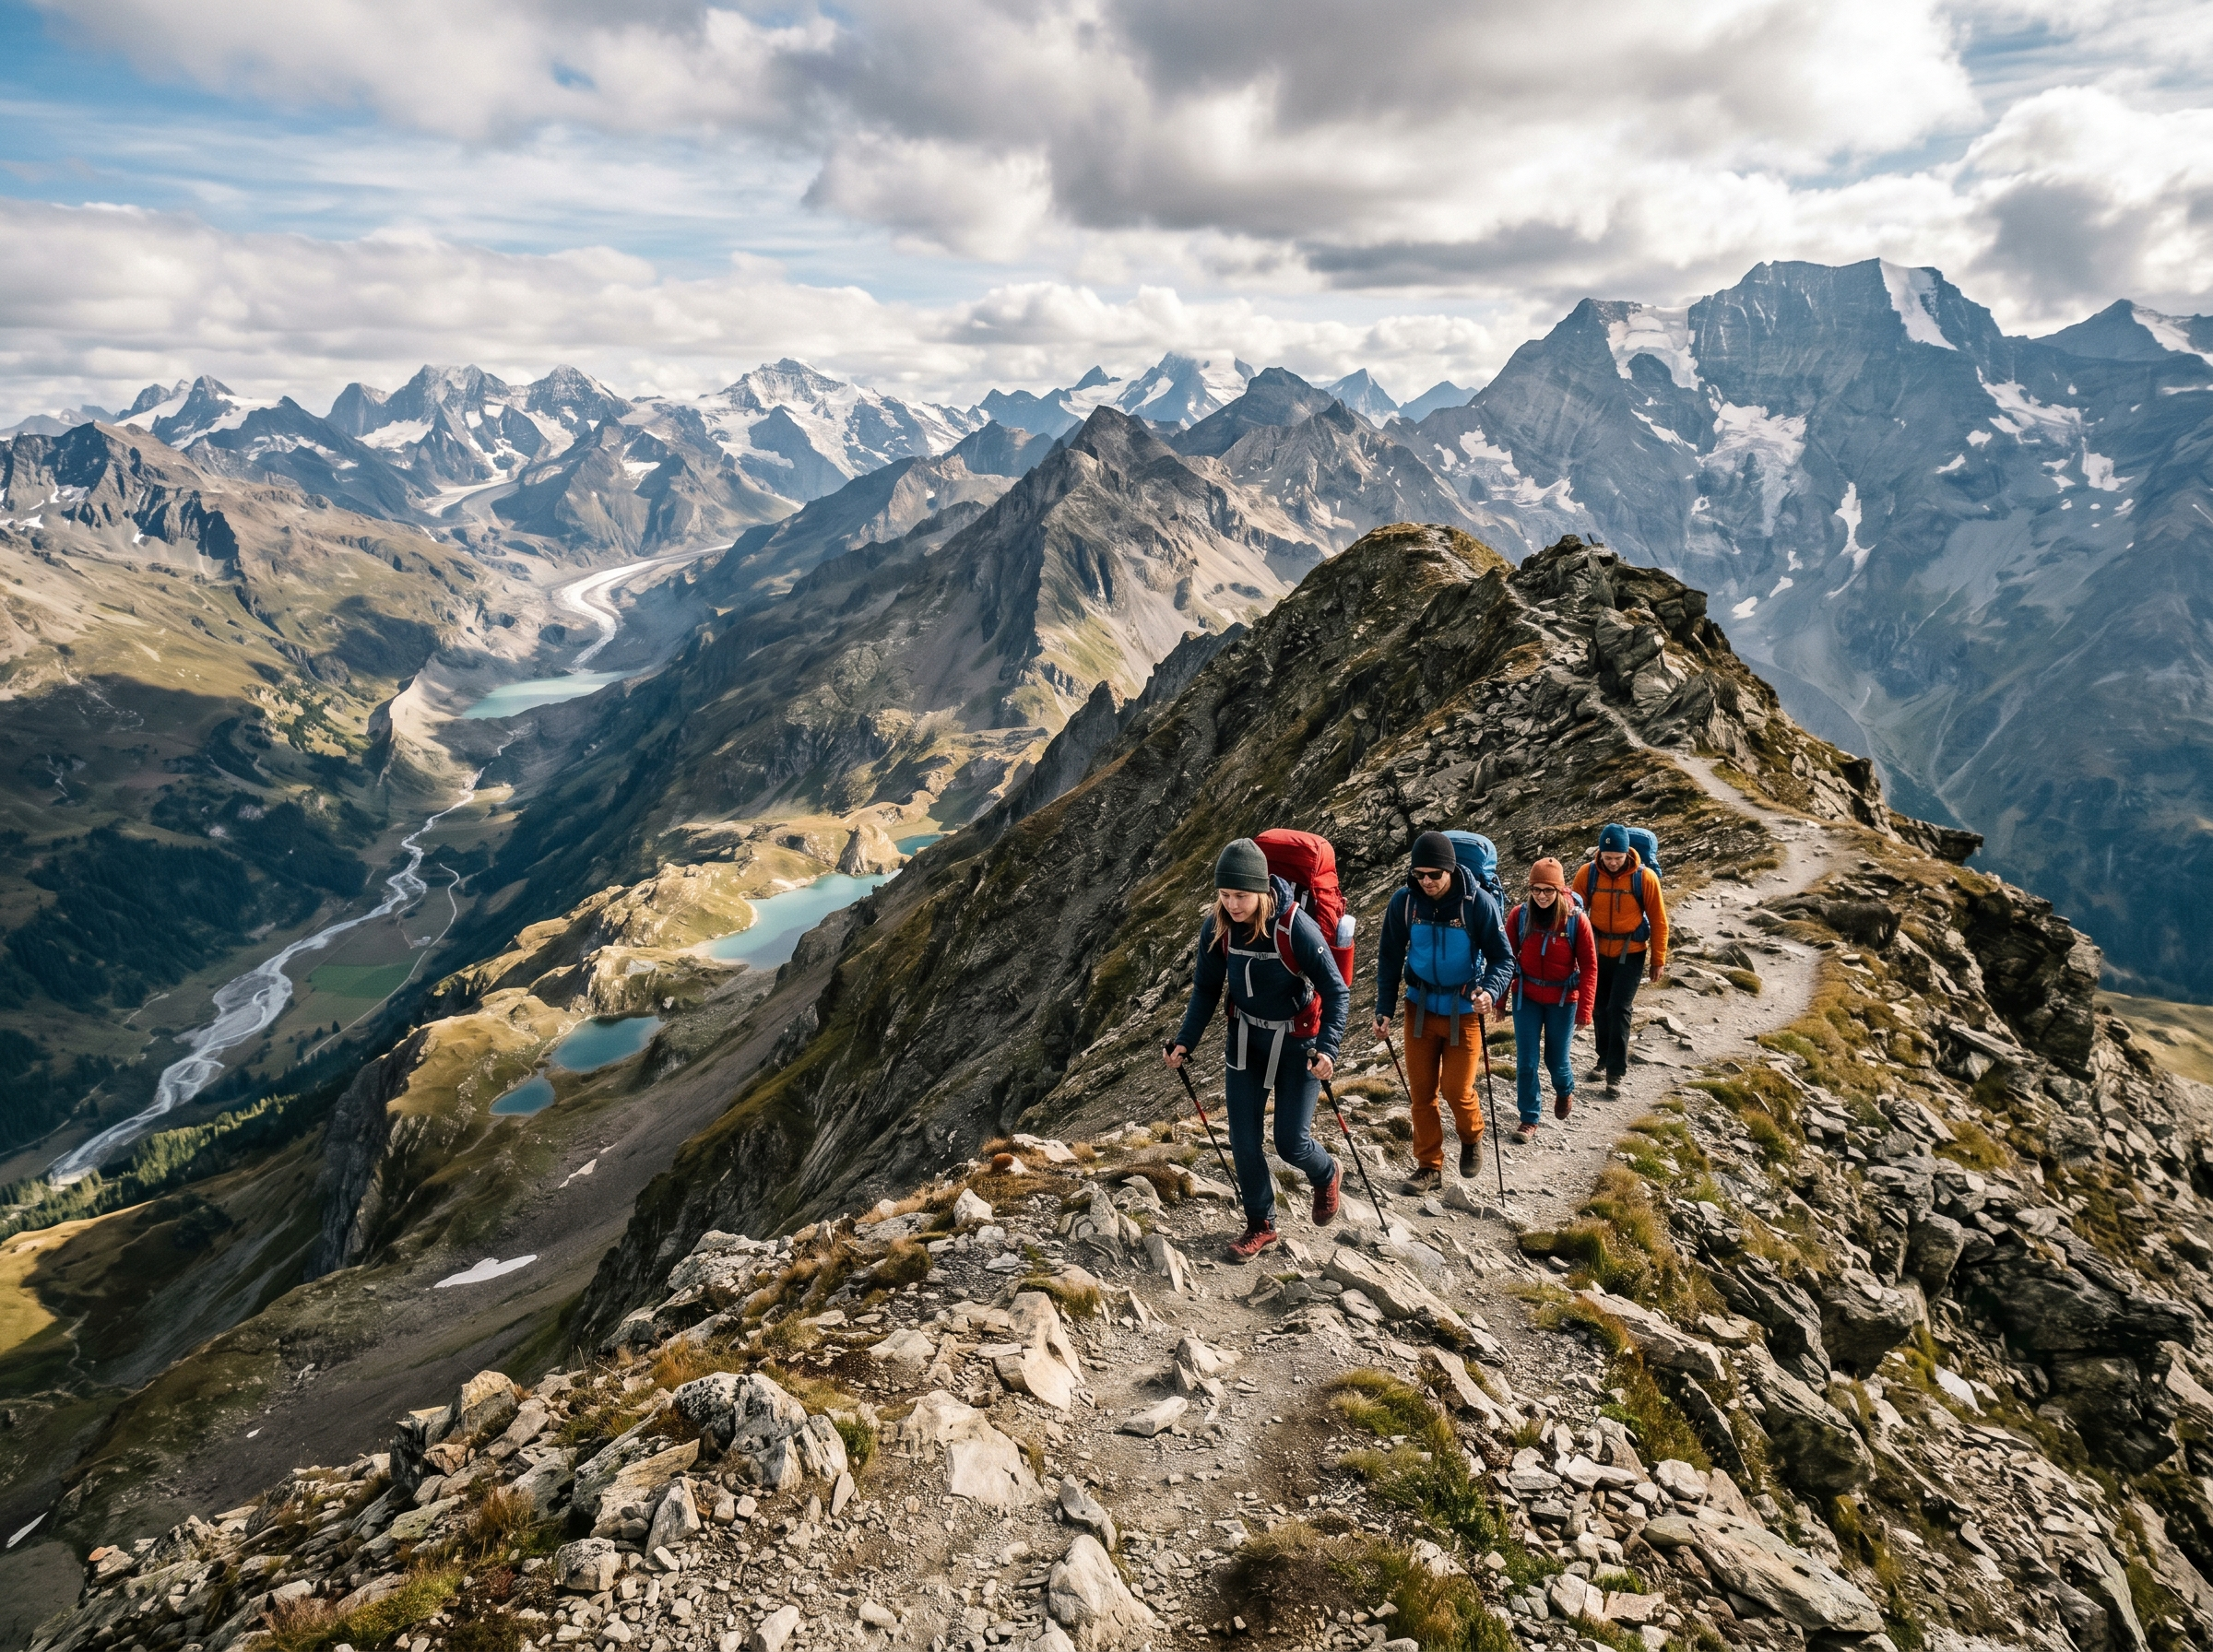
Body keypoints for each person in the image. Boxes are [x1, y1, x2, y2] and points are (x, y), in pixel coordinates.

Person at [1166, 837, 1349, 1261]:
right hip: (1246, 1040)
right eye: (1225, 894)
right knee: (1244, 1138)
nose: (1232, 904)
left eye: (1241, 895)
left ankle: (1327, 1171)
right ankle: (1261, 1224)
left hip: (1298, 1043)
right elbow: (1207, 989)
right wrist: (1184, 1042)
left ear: (1262, 889)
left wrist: (1329, 1049)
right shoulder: (1216, 927)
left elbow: (1335, 991)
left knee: (1291, 1142)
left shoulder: (1294, 926)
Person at [1372, 831, 1513, 1188]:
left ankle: (1471, 1137)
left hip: (1463, 1010)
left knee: (1456, 1090)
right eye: (1420, 874)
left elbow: (1502, 958)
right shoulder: (1405, 902)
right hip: (1418, 1008)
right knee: (1421, 1094)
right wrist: (1384, 1008)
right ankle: (1429, 1167)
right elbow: (1389, 957)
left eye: (1435, 874)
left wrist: (1491, 992)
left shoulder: (1477, 903)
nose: (1427, 881)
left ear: (1450, 869)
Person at [1574, 823, 1669, 1096]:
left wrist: (1658, 959)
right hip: (1595, 951)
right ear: (1600, 854)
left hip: (1633, 951)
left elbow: (1660, 921)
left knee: (1619, 1008)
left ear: (1626, 853)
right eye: (1608, 858)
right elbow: (1573, 911)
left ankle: (1615, 1072)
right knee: (1598, 1007)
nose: (1613, 863)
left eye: (1617, 858)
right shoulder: (1587, 874)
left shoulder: (1645, 878)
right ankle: (1603, 1057)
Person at [1507, 858, 1597, 1142]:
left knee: (1556, 1060)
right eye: (1536, 890)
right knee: (1526, 1062)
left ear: (1559, 890)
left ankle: (1565, 1089)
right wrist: (1498, 1001)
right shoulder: (1519, 916)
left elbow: (1590, 966)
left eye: (1548, 890)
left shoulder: (1575, 921)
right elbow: (1506, 960)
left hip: (1563, 1000)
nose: (1542, 896)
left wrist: (1585, 1010)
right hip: (1527, 997)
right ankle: (1529, 1119)